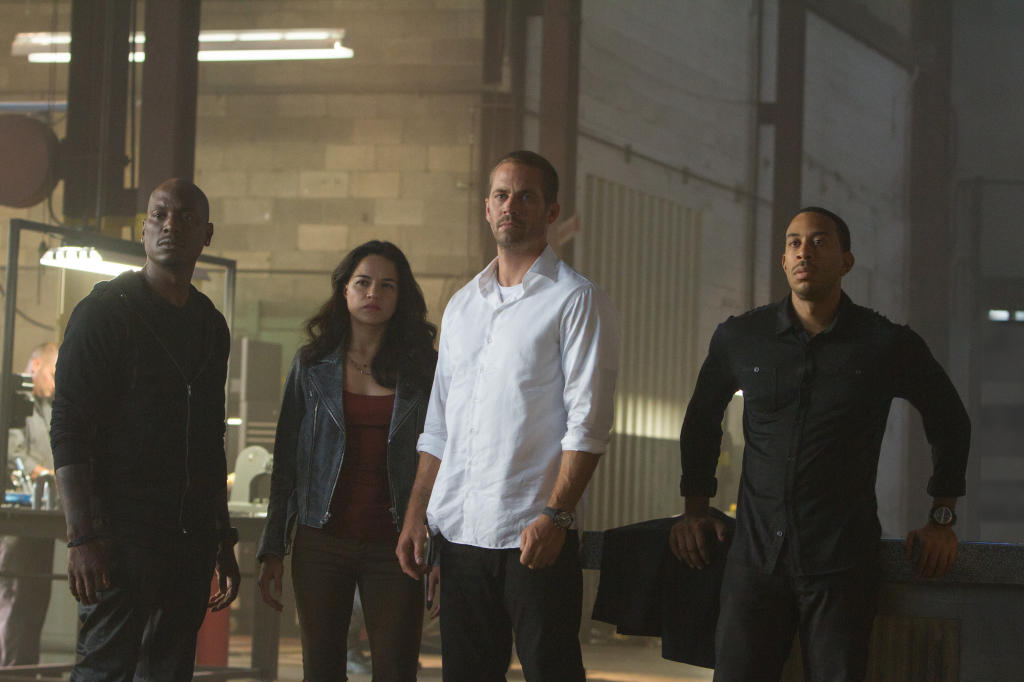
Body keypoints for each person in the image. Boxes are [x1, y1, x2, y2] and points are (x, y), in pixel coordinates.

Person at [669, 207, 971, 681]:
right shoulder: (741, 337)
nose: (803, 252)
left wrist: (942, 518)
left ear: (846, 261)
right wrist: (694, 510)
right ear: (783, 261)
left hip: (841, 566)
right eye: (794, 243)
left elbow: (950, 420)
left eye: (819, 241)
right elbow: (701, 421)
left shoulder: (885, 343)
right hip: (755, 564)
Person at [396, 150, 621, 681]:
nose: (510, 206)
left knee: (552, 672)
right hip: (460, 537)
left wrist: (557, 516)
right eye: (501, 195)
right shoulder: (462, 306)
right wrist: (416, 514)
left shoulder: (576, 300)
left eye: (526, 197)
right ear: (486, 207)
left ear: (551, 211)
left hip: (533, 534)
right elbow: (439, 424)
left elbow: (588, 426)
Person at [50, 178, 240, 681]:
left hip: (188, 539)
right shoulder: (105, 311)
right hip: (119, 537)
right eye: (159, 215)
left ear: (207, 234)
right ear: (143, 229)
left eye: (185, 217)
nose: (170, 225)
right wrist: (81, 537)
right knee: (104, 669)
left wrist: (222, 540)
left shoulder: (209, 324)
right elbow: (68, 426)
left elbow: (209, 438)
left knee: (169, 670)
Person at [257, 240, 438, 681]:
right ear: (344, 290)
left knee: (396, 670)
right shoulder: (312, 364)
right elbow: (286, 461)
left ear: (401, 296)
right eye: (363, 282)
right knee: (321, 670)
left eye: (387, 285)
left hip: (397, 544)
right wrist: (273, 547)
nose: (373, 292)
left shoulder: (424, 369)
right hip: (321, 541)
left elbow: (441, 456)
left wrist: (440, 552)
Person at [0, 342, 58, 666]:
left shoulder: (48, 407)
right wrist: (47, 474)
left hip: (43, 517)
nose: (55, 382)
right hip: (19, 519)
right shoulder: (12, 402)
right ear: (35, 366)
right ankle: (11, 671)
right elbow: (13, 453)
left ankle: (28, 670)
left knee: (37, 598)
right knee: (16, 598)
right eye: (52, 373)